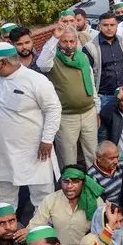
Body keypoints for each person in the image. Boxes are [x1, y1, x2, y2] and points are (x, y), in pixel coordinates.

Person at [0, 43, 61, 209]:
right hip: (2, 152)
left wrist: (47, 140)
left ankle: (41, 231)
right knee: (4, 197)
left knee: (42, 196)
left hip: (34, 150)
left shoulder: (35, 80)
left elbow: (53, 109)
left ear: (3, 62)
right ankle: (6, 232)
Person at [37, 24, 99, 168]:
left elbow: (90, 83)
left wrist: (97, 108)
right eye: (65, 41)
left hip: (89, 112)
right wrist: (55, 37)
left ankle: (93, 184)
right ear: (59, 42)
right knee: (67, 156)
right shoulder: (52, 60)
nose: (69, 45)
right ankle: (70, 186)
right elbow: (41, 64)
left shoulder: (82, 57)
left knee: (92, 153)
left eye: (72, 41)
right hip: (66, 117)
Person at [27, 164, 104, 245]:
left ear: (83, 183)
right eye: (66, 181)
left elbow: (102, 231)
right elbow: (35, 225)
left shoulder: (96, 201)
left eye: (75, 181)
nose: (69, 186)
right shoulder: (51, 199)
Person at [83, 12, 123, 110]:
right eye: (105, 25)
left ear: (117, 26)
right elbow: (87, 76)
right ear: (99, 26)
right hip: (104, 97)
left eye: (112, 25)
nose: (109, 28)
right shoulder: (90, 48)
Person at [87, 140, 123, 205]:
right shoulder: (91, 176)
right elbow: (100, 202)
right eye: (111, 158)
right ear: (99, 158)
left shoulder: (121, 164)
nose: (116, 161)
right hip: (110, 209)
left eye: (117, 157)